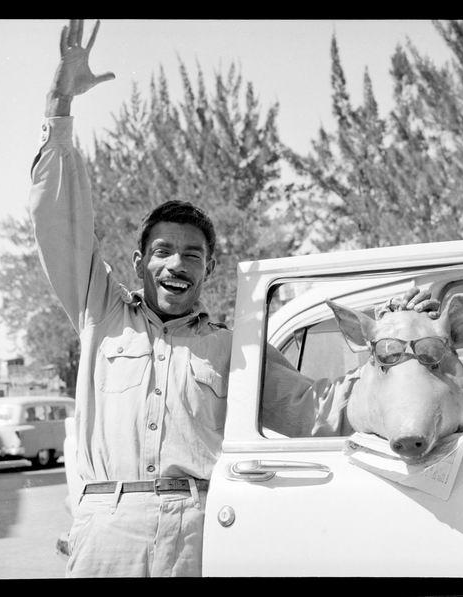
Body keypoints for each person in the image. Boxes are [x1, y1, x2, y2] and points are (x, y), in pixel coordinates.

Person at [29, 19, 440, 577]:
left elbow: (320, 410)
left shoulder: (233, 350)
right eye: (163, 251)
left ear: (209, 268)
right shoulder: (101, 314)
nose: (177, 264)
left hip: (200, 533)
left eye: (193, 255)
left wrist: (399, 349)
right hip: (108, 527)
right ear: (139, 263)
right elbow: (62, 225)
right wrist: (59, 109)